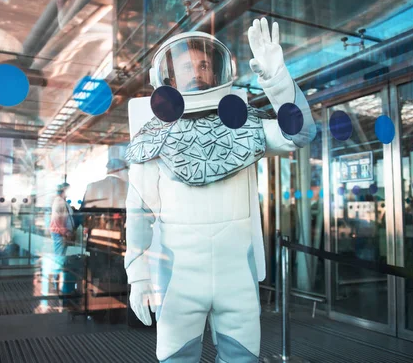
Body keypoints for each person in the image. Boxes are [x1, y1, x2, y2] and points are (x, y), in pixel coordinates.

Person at [125, 18, 316, 362]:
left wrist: (279, 80)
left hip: (237, 280)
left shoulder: (247, 124)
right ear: (169, 78)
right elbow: (139, 216)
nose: (197, 71)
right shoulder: (151, 139)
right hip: (179, 280)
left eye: (203, 65)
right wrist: (137, 277)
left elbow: (298, 134)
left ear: (216, 74)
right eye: (187, 66)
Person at [49, 182, 74, 291]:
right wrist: (65, 232)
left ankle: (56, 282)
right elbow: (57, 220)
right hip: (60, 234)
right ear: (64, 190)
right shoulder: (59, 202)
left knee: (60, 257)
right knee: (59, 258)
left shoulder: (60, 201)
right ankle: (56, 282)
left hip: (60, 233)